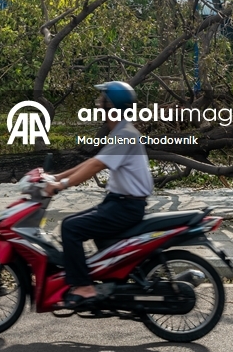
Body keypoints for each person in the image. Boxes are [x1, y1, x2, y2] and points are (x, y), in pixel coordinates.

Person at [44, 81, 154, 310]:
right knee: (86, 229)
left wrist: (60, 185)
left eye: (101, 101)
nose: (97, 105)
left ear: (111, 106)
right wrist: (55, 177)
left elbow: (94, 167)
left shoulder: (124, 135)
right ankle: (111, 286)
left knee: (71, 228)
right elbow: (93, 162)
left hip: (125, 207)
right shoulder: (122, 132)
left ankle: (84, 288)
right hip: (119, 203)